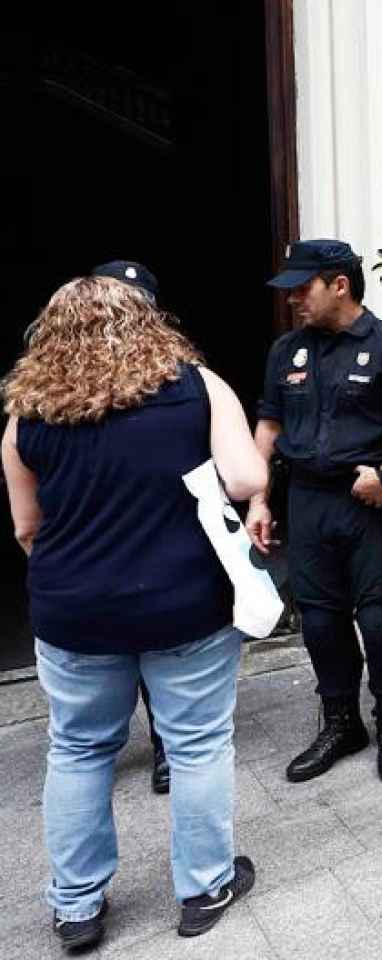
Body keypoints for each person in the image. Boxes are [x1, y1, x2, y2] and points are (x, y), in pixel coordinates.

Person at [2, 277, 269, 950]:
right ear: (150, 322)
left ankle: (76, 907)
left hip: (74, 611)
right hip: (185, 602)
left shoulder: (28, 413)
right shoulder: (197, 386)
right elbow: (246, 480)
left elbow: (26, 528)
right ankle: (205, 886)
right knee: (198, 744)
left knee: (79, 750)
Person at [245, 240, 382, 784]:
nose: (293, 299)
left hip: (371, 504)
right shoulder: (286, 351)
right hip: (307, 500)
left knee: (380, 619)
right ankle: (341, 723)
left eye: (302, 287)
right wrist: (259, 497)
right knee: (318, 619)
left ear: (340, 284)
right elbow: (269, 426)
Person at [90, 260, 175, 795]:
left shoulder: (178, 375)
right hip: (95, 538)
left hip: (159, 531)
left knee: (161, 648)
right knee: (104, 656)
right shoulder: (52, 382)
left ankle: (164, 743)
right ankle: (98, 743)